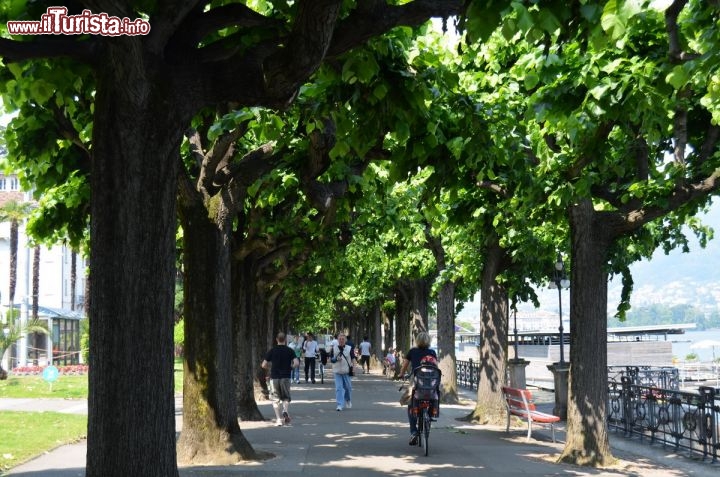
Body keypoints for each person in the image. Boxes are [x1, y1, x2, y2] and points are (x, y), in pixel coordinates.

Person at [399, 331, 438, 445]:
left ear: (417, 341)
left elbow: (405, 365)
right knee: (433, 397)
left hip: (416, 382)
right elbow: (436, 366)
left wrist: (401, 374)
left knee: (411, 404)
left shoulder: (412, 351)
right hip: (430, 382)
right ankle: (430, 415)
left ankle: (413, 431)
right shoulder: (432, 352)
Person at [261, 332, 300, 426]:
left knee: (275, 399)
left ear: (276, 339)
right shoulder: (289, 350)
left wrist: (270, 369)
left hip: (274, 377)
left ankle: (278, 419)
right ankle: (285, 410)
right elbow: (296, 363)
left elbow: (263, 365)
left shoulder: (272, 350)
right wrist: (290, 368)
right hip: (286, 376)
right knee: (286, 397)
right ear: (285, 340)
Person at [330, 333, 356, 411]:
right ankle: (339, 404)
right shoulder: (334, 348)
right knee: (339, 388)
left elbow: (353, 359)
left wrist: (354, 368)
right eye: (340, 339)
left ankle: (347, 400)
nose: (341, 340)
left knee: (348, 388)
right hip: (337, 371)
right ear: (337, 340)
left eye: (343, 339)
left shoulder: (349, 348)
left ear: (345, 340)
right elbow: (331, 359)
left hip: (346, 371)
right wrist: (336, 359)